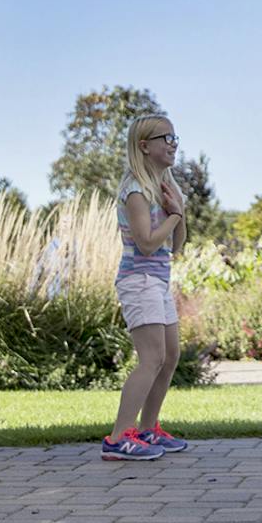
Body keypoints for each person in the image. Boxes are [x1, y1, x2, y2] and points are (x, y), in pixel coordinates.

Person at [100, 114, 190, 461]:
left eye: (174, 137)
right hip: (138, 281)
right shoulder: (135, 190)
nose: (172, 144)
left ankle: (148, 430)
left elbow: (176, 245)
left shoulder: (166, 187)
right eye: (165, 138)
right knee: (151, 359)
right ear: (144, 146)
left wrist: (178, 211)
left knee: (170, 358)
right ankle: (119, 437)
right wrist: (173, 215)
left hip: (158, 281)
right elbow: (148, 243)